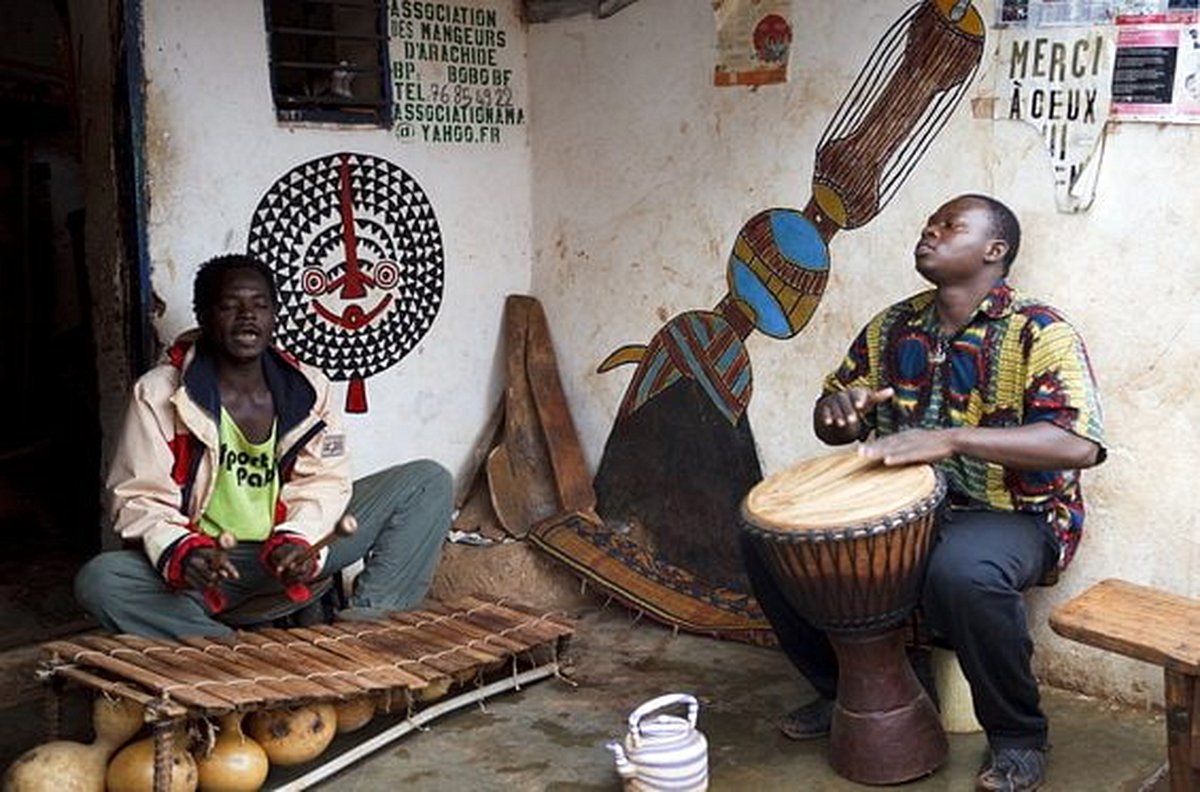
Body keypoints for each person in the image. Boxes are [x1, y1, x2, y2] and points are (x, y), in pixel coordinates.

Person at [741, 194, 1104, 791]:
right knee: (769, 540)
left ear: (995, 250)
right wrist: (839, 415)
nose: (930, 232)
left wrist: (953, 440)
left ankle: (1018, 738)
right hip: (900, 507)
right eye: (929, 224)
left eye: (949, 226)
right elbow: (835, 414)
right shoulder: (892, 327)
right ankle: (842, 692)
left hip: (1016, 513)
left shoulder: (1040, 331)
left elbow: (1077, 444)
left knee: (962, 572)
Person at [75, 253, 452, 638]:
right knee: (101, 580)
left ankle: (367, 630)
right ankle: (224, 651)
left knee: (427, 482)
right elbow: (139, 497)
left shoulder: (308, 389)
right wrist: (183, 550)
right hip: (214, 569)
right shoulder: (158, 394)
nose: (247, 316)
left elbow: (323, 481)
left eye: (260, 305)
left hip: (288, 556)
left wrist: (298, 539)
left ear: (274, 315)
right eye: (229, 305)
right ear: (203, 316)